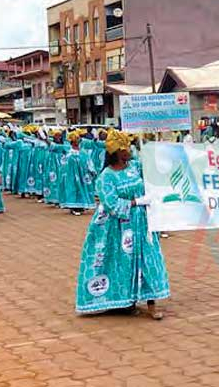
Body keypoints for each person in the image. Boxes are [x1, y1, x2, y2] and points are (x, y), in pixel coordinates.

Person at [75, 129, 170, 319]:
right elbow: (111, 204)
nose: (130, 151)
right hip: (116, 228)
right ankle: (124, 300)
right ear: (116, 152)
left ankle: (151, 304)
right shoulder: (106, 177)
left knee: (148, 259)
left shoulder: (135, 166)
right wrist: (136, 202)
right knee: (120, 262)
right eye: (125, 148)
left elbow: (155, 172)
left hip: (141, 224)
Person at [60, 130, 97, 216]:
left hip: (82, 175)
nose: (77, 142)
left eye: (78, 140)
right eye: (75, 140)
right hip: (71, 175)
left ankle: (81, 206)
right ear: (72, 142)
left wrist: (91, 170)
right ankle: (73, 207)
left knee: (83, 189)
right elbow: (64, 163)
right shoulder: (68, 151)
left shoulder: (83, 152)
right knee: (73, 189)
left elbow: (88, 161)